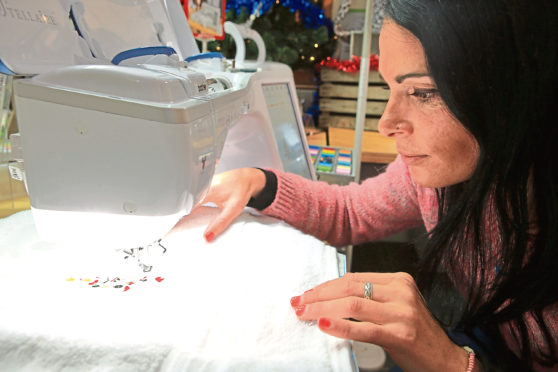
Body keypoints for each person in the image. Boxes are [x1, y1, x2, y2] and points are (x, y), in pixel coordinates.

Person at [179, 0, 558, 371]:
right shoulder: (433, 179)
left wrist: (452, 363)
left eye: (422, 92)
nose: (386, 123)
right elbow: (350, 211)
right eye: (389, 89)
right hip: (490, 335)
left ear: (513, 84)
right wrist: (260, 182)